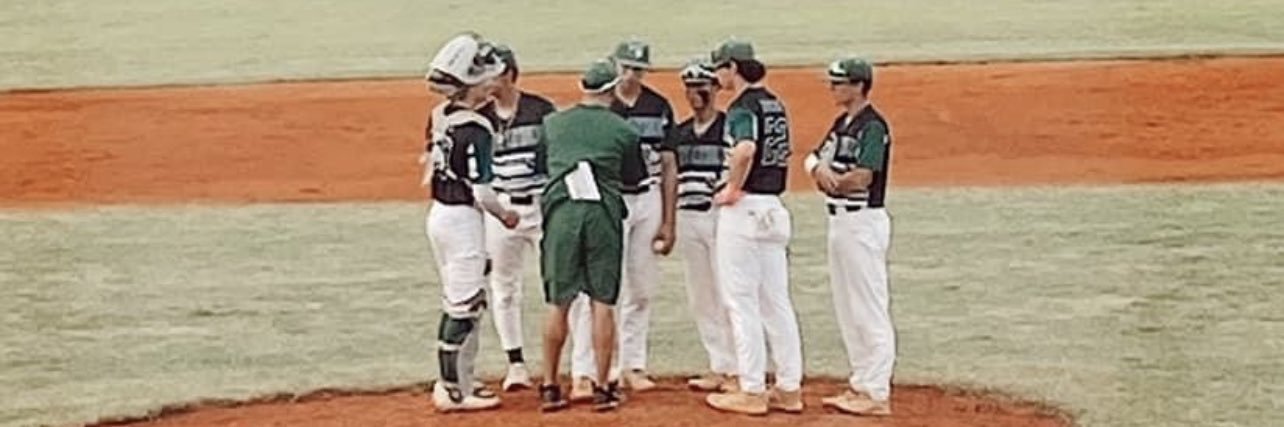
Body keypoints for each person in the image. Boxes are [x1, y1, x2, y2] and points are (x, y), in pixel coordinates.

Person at [568, 39, 677, 400]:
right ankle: (583, 371)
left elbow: (668, 164)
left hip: (647, 198)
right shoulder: (601, 105)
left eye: (638, 69)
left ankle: (633, 364)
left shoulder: (658, 106)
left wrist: (669, 221)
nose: (631, 75)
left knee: (642, 286)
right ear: (615, 67)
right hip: (608, 199)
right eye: (626, 68)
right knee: (597, 288)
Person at [703, 39, 805, 416]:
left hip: (746, 211)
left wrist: (732, 187)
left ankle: (752, 389)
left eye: (720, 69)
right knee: (776, 302)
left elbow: (745, 149)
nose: (717, 77)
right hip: (773, 208)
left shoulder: (742, 107)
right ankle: (789, 388)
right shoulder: (775, 104)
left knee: (741, 301)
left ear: (733, 67)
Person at [536, 59, 645, 413]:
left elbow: (541, 165)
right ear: (612, 89)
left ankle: (550, 385)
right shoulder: (623, 130)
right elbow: (634, 178)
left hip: (562, 213)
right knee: (602, 301)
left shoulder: (552, 124)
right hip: (602, 214)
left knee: (558, 301)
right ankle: (601, 386)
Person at [420, 33, 518, 413]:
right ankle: (451, 390)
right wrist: (505, 215)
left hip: (439, 215)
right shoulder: (477, 128)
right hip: (462, 220)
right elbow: (483, 190)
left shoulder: (439, 115)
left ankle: (461, 378)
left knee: (462, 298)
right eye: (486, 79)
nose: (492, 84)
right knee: (463, 306)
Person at [805, 57, 896, 417]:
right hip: (840, 224)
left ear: (858, 86)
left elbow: (863, 177)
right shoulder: (842, 123)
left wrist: (832, 181)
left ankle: (876, 391)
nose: (832, 88)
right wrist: (820, 171)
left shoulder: (872, 126)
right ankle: (861, 382)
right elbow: (813, 158)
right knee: (847, 307)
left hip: (862, 223)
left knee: (869, 307)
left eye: (838, 83)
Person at [477, 44, 558, 392]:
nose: (486, 82)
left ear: (510, 74)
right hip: (500, 210)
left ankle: (573, 366)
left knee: (559, 284)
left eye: (493, 74)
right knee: (504, 287)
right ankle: (516, 364)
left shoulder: (541, 111)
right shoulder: (480, 117)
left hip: (540, 207)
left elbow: (556, 157)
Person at [670, 59, 738, 393]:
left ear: (714, 89)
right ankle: (719, 364)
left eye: (701, 87)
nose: (695, 93)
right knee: (701, 295)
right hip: (688, 216)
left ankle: (739, 367)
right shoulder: (679, 133)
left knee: (727, 292)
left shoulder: (728, 129)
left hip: (719, 217)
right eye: (690, 87)